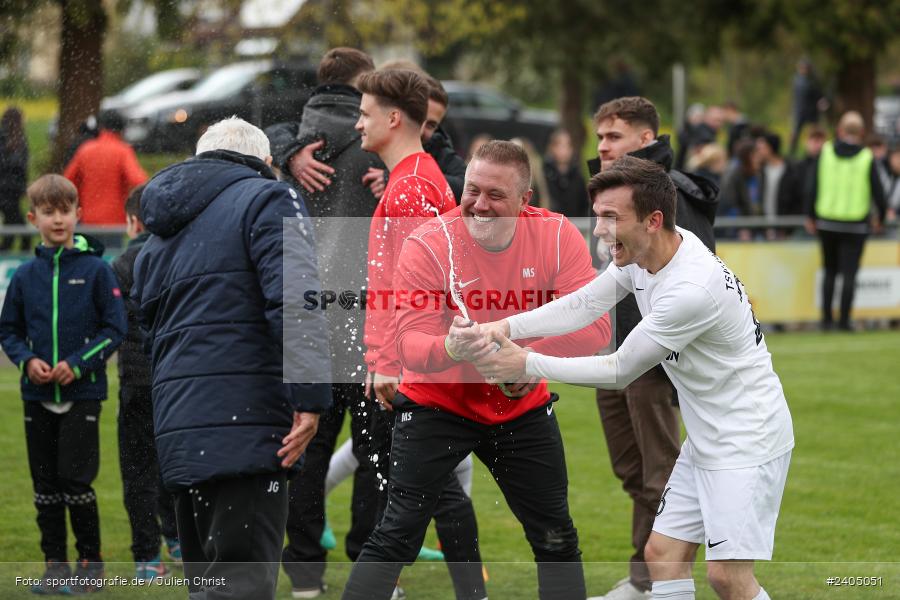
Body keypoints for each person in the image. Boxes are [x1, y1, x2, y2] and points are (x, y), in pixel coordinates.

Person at [478, 155, 795, 600]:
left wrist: (525, 363)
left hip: (748, 440)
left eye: (611, 218)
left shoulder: (691, 289)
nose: (599, 230)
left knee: (727, 577)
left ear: (653, 220)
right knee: (662, 554)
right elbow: (586, 302)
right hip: (708, 436)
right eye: (598, 216)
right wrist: (507, 327)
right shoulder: (649, 251)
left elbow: (619, 369)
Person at [340, 140, 611, 600]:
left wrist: (528, 360)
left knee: (555, 536)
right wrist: (452, 346)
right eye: (472, 190)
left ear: (525, 201)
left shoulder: (556, 234)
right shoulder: (429, 242)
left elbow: (597, 327)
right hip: (436, 405)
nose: (479, 205)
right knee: (397, 533)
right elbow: (409, 344)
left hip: (521, 406)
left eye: (496, 195)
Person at [132, 117, 332, 599]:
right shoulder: (269, 197)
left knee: (209, 587)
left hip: (182, 432)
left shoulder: (159, 233)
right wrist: (310, 397)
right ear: (265, 163)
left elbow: (148, 328)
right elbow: (295, 297)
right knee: (241, 586)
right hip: (249, 426)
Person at [355, 67, 486, 600]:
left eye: (363, 113)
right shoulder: (416, 178)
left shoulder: (410, 188)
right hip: (414, 362)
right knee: (426, 488)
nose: (356, 123)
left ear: (392, 118)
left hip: (410, 368)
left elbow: (419, 290)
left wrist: (388, 360)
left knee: (427, 490)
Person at [265, 47, 388, 598]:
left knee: (308, 447)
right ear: (363, 84)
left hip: (307, 315)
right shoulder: (379, 143)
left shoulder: (288, 142)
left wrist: (286, 149)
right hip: (366, 317)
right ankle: (369, 563)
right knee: (374, 451)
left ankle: (305, 572)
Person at [586, 96, 718, 600]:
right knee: (632, 471)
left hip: (653, 359)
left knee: (659, 474)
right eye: (599, 137)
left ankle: (652, 582)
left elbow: (695, 278)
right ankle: (646, 579)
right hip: (614, 351)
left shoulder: (675, 195)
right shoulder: (616, 190)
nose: (602, 146)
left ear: (647, 139)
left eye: (613, 136)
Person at [0, 174, 127, 594]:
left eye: (65, 211)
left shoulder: (95, 271)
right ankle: (55, 566)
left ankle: (91, 566)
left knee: (75, 482)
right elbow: (9, 332)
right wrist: (28, 360)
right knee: (45, 487)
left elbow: (114, 329)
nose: (59, 220)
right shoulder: (23, 276)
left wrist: (78, 363)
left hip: (83, 394)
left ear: (79, 214)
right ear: (34, 218)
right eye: (49, 212)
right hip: (37, 396)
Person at [109, 183, 180, 582]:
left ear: (131, 220)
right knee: (174, 463)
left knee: (137, 470)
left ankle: (147, 557)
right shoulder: (175, 257)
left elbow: (115, 327)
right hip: (173, 381)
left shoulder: (121, 265)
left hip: (136, 381)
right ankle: (179, 538)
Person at [804, 111, 887, 331]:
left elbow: (813, 186)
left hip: (827, 222)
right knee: (849, 274)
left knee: (829, 271)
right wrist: (881, 216)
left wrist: (810, 215)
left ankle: (826, 320)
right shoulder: (867, 157)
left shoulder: (826, 152)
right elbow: (878, 192)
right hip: (856, 224)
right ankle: (844, 321)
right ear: (861, 132)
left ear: (840, 130)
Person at [63, 111, 147, 230]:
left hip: (87, 217)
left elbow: (66, 182)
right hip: (114, 220)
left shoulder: (85, 149)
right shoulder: (122, 151)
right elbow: (138, 180)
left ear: (100, 127)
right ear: (122, 129)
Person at [0, 107, 31, 251]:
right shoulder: (18, 140)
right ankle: (20, 256)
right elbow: (21, 167)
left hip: (8, 190)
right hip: (11, 191)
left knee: (12, 228)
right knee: (19, 228)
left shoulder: (9, 138)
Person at [544, 128, 589, 218]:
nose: (564, 150)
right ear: (552, 147)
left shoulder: (577, 176)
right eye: (560, 145)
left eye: (567, 145)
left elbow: (584, 205)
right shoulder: (544, 174)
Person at [788, 58, 827, 157]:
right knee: (796, 133)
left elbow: (818, 94)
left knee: (814, 132)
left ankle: (814, 151)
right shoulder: (798, 80)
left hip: (811, 111)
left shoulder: (812, 80)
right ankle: (792, 153)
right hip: (800, 110)